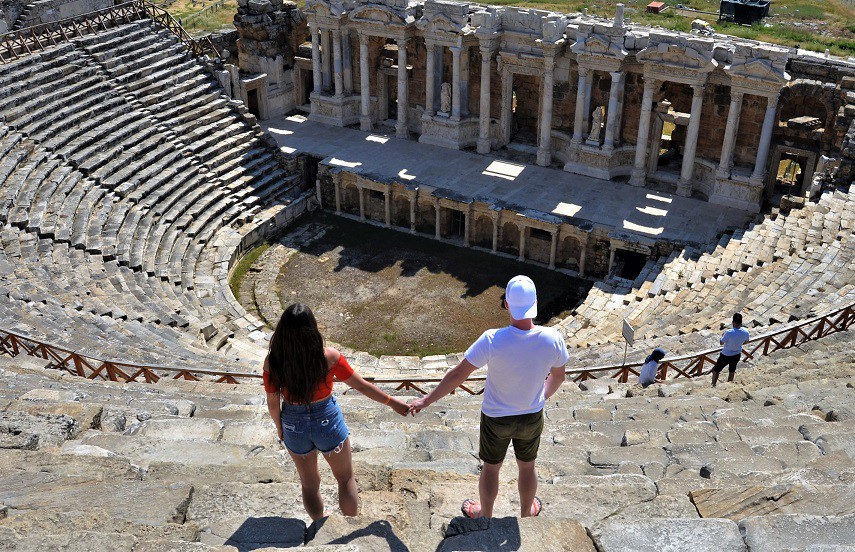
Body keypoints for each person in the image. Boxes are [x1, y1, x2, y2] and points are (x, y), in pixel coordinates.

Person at [408, 275, 569, 519]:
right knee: (527, 467)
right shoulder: (552, 338)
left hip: (496, 417)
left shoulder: (492, 339)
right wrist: (541, 397)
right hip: (531, 415)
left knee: (491, 468)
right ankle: (527, 512)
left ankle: (486, 514)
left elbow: (458, 374)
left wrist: (426, 400)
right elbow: (558, 377)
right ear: (535, 302)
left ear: (506, 304)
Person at [263, 303, 410, 521]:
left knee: (309, 484)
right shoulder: (329, 357)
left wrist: (280, 429)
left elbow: (273, 403)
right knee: (345, 478)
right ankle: (350, 524)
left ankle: (319, 524)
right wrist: (392, 402)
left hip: (294, 423)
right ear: (313, 328)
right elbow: (360, 386)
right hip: (326, 420)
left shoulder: (273, 361)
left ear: (282, 330)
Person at [711, 312, 750, 387]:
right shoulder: (746, 331)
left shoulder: (729, 332)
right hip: (737, 354)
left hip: (725, 354)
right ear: (741, 322)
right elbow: (746, 341)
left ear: (733, 322)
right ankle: (729, 385)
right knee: (732, 371)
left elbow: (721, 343)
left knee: (716, 370)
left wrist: (723, 335)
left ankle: (713, 385)